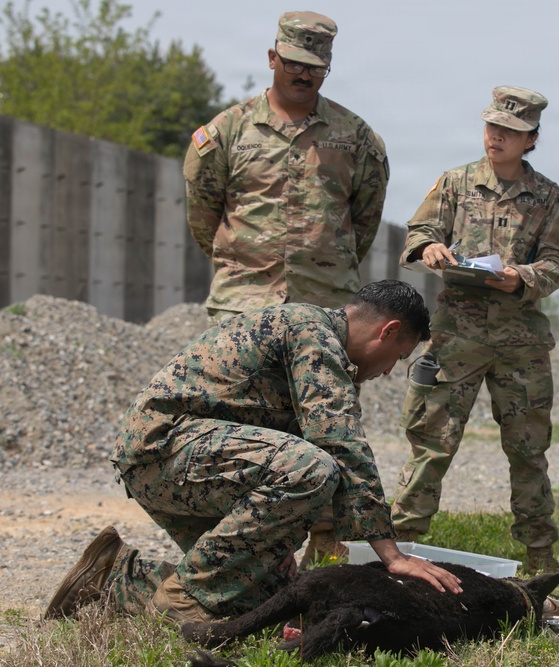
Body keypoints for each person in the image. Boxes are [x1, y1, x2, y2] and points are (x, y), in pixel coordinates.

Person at [44, 280, 463, 624]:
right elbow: (340, 443)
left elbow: (271, 453)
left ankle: (110, 577)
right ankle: (180, 602)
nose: (389, 370)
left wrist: (275, 548)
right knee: (312, 468)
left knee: (268, 602)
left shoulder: (319, 347)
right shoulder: (311, 332)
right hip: (164, 451)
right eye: (399, 357)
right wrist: (391, 555)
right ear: (387, 331)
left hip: (192, 461)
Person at [183, 11, 390, 564]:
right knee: (234, 429)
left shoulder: (358, 137)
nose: (304, 75)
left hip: (324, 309)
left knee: (325, 424)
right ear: (272, 58)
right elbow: (204, 216)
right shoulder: (225, 132)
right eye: (294, 64)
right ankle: (229, 550)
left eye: (316, 68)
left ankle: (324, 546)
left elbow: (363, 222)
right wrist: (245, 270)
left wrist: (326, 272)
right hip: (243, 309)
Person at [389, 86, 559, 575]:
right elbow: (418, 233)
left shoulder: (549, 196)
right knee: (432, 442)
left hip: (521, 342)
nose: (496, 137)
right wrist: (429, 249)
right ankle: (399, 548)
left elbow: (558, 261)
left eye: (510, 132)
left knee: (529, 450)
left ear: (531, 138)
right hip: (457, 337)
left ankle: (540, 558)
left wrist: (522, 277)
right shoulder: (454, 183)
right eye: (492, 126)